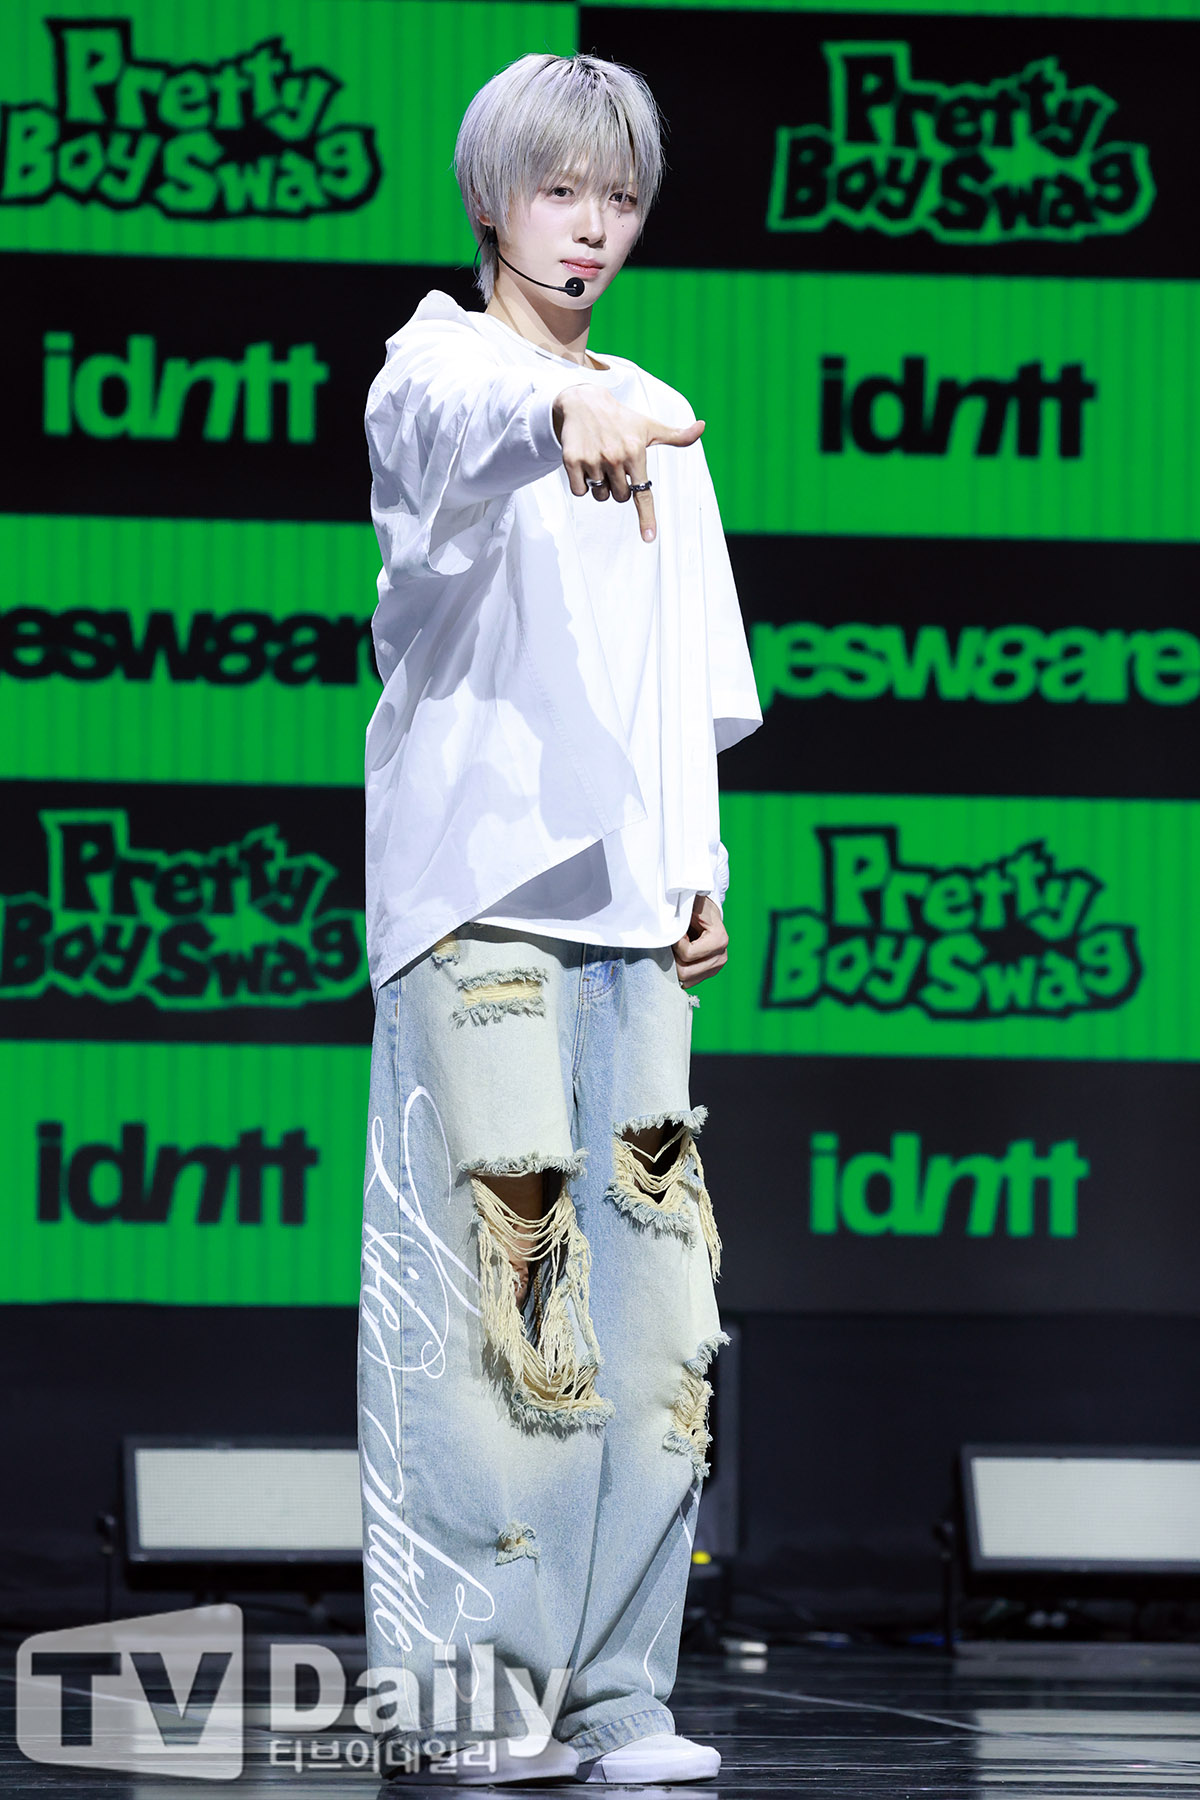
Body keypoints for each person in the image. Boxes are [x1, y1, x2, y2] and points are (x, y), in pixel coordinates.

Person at [357, 49, 761, 1787]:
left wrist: (700, 863)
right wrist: (548, 417)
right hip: (483, 915)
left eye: (620, 198)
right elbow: (459, 435)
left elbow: (691, 678)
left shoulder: (656, 406)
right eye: (559, 191)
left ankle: (615, 1701)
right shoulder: (439, 365)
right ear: (493, 200)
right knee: (500, 1310)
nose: (591, 227)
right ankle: (470, 1705)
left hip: (634, 924)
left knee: (662, 1323)